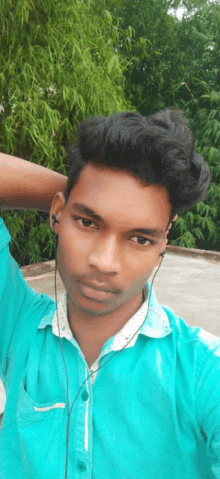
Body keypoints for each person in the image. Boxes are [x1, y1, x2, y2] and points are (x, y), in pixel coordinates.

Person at [0, 108, 219, 479]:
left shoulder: (201, 371)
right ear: (58, 213)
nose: (103, 261)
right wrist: (74, 190)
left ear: (163, 243)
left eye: (140, 237)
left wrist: (85, 200)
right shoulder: (15, 321)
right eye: (87, 222)